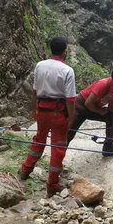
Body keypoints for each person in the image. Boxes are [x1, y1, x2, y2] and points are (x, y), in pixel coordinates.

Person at [19, 37, 76, 197]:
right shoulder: (67, 70)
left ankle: (25, 170)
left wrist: (33, 110)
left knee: (39, 140)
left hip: (42, 109)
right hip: (59, 112)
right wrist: (71, 117)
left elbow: (35, 91)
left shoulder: (40, 65)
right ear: (65, 51)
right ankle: (52, 185)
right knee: (58, 148)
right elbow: (70, 99)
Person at [67, 63, 113, 157]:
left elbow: (112, 108)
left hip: (92, 108)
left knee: (111, 116)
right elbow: (88, 103)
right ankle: (57, 154)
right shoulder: (104, 84)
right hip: (80, 107)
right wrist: (99, 111)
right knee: (70, 132)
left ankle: (108, 147)